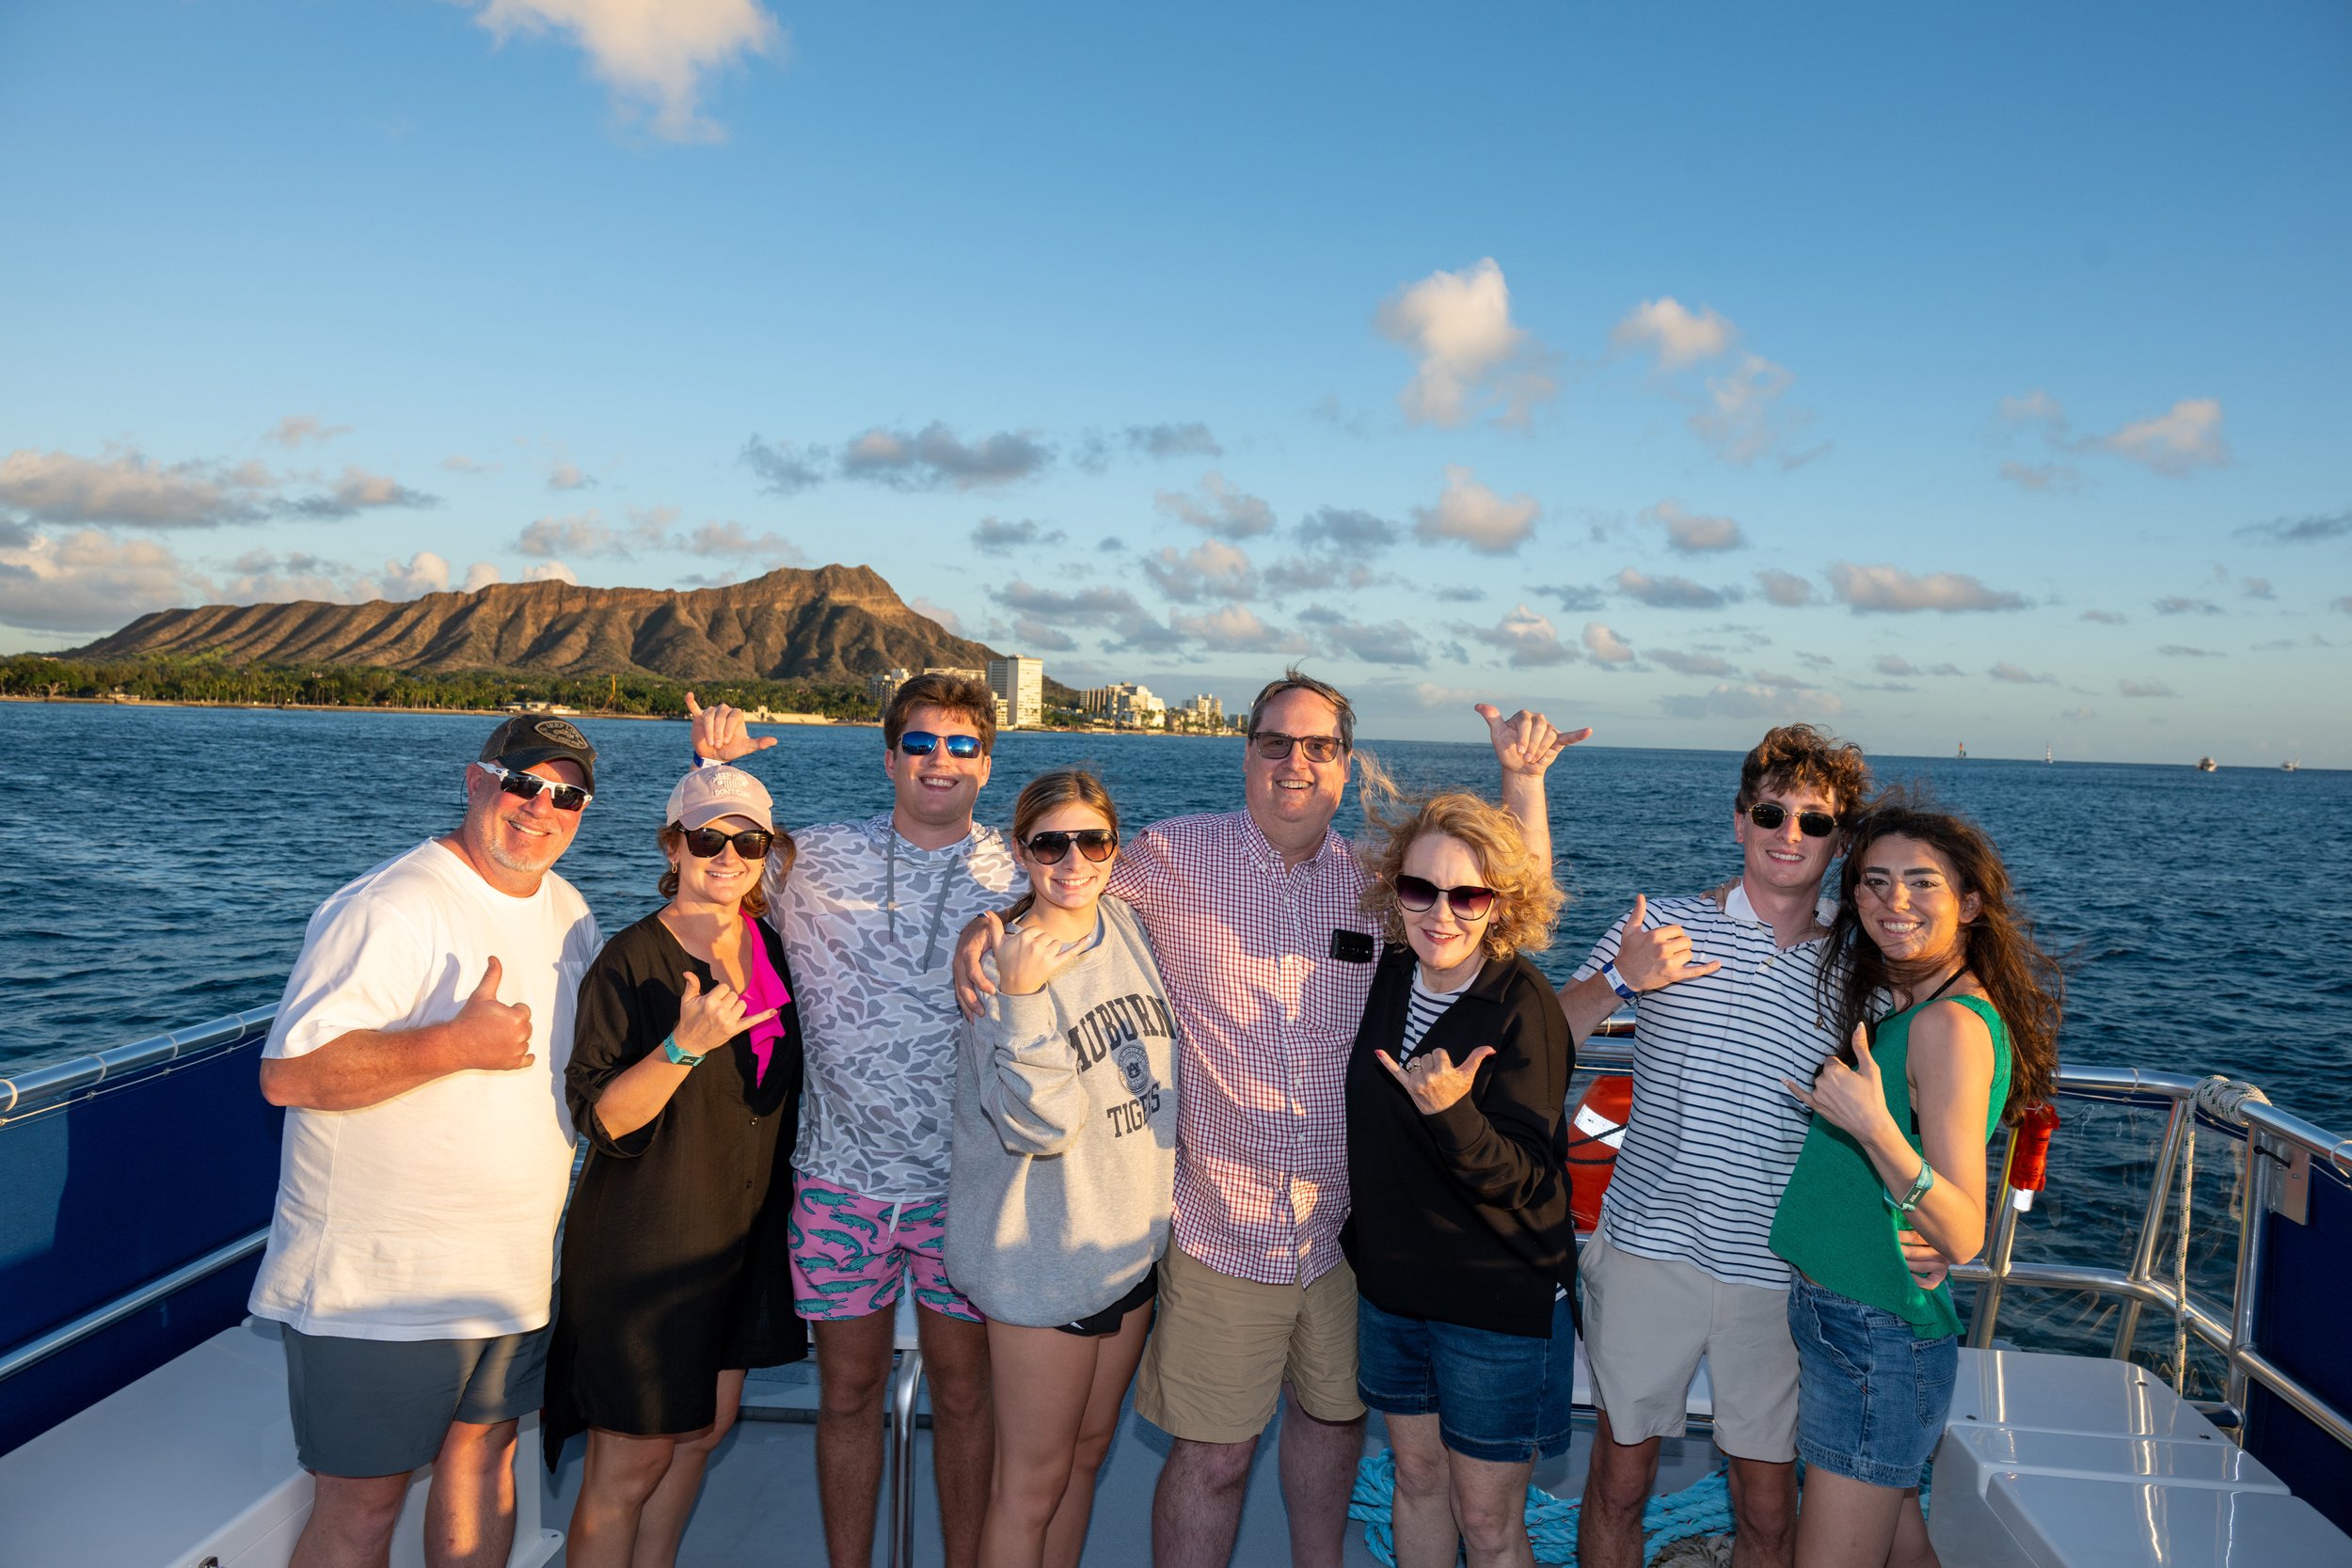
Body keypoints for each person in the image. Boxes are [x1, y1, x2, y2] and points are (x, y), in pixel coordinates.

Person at [958, 670, 1582, 1568]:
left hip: (1347, 1232)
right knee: (1212, 1458)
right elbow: (1067, 876)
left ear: (1345, 765)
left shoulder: (1383, 887)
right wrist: (985, 929)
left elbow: (1502, 909)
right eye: (1276, 742)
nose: (1297, 762)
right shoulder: (1171, 861)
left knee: (1331, 1430)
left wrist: (1525, 788)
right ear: (1245, 753)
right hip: (1221, 1227)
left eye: (1319, 746)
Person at [250, 716, 603, 1568]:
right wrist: (450, 1044)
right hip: (380, 1285)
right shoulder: (391, 906)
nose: (540, 807)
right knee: (363, 1510)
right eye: (523, 782)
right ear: (477, 780)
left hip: (511, 1274)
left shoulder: (569, 910)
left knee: (485, 1470)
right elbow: (288, 1073)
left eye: (567, 794)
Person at [684, 674, 1016, 1568]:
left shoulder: (1024, 870)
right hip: (838, 1182)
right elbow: (711, 865)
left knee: (966, 1395)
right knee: (847, 1393)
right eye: (919, 742)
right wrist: (714, 769)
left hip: (967, 1186)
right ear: (888, 756)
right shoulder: (818, 858)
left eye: (959, 744)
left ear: (987, 760)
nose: (938, 760)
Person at [1556, 724, 1873, 1568]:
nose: (1788, 834)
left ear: (1839, 843)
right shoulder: (1660, 925)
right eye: (1772, 811)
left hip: (1780, 1270)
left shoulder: (1861, 963)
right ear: (1739, 820)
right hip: (1647, 1252)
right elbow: (1542, 1036)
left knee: (1768, 1509)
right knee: (1619, 1481)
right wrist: (1618, 977)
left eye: (1814, 821)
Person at [1772, 796, 2062, 1568]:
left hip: (1876, 1336)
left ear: (1969, 903)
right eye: (1873, 880)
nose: (1892, 900)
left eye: (1921, 882)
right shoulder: (1918, 1007)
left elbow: (1963, 1229)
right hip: (1855, 1323)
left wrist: (1870, 1123)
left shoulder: (1949, 1025)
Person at [542, 765, 807, 1567]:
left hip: (739, 1238)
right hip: (647, 1249)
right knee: (632, 1465)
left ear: (767, 851)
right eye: (706, 837)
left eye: (746, 839)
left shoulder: (768, 941)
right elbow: (601, 1116)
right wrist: (682, 1047)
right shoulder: (630, 962)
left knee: (700, 1434)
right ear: (673, 845)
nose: (726, 854)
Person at [947, 770, 1180, 1568]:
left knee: (1085, 1457)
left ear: (1116, 848)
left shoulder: (1130, 926)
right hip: (1040, 1257)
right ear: (1022, 851)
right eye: (1051, 842)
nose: (1073, 859)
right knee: (1030, 1483)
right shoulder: (1000, 964)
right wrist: (1018, 995)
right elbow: (1037, 1126)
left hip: (1125, 1249)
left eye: (1093, 840)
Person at [1343, 785, 1576, 1568]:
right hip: (1395, 1292)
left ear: (1499, 906)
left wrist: (1454, 1114)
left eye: (1467, 893)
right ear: (1395, 893)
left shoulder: (1522, 1006)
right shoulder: (1391, 972)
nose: (1440, 913)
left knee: (1487, 1521)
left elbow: (1530, 1181)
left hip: (1491, 1303)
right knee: (1415, 1478)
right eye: (1420, 889)